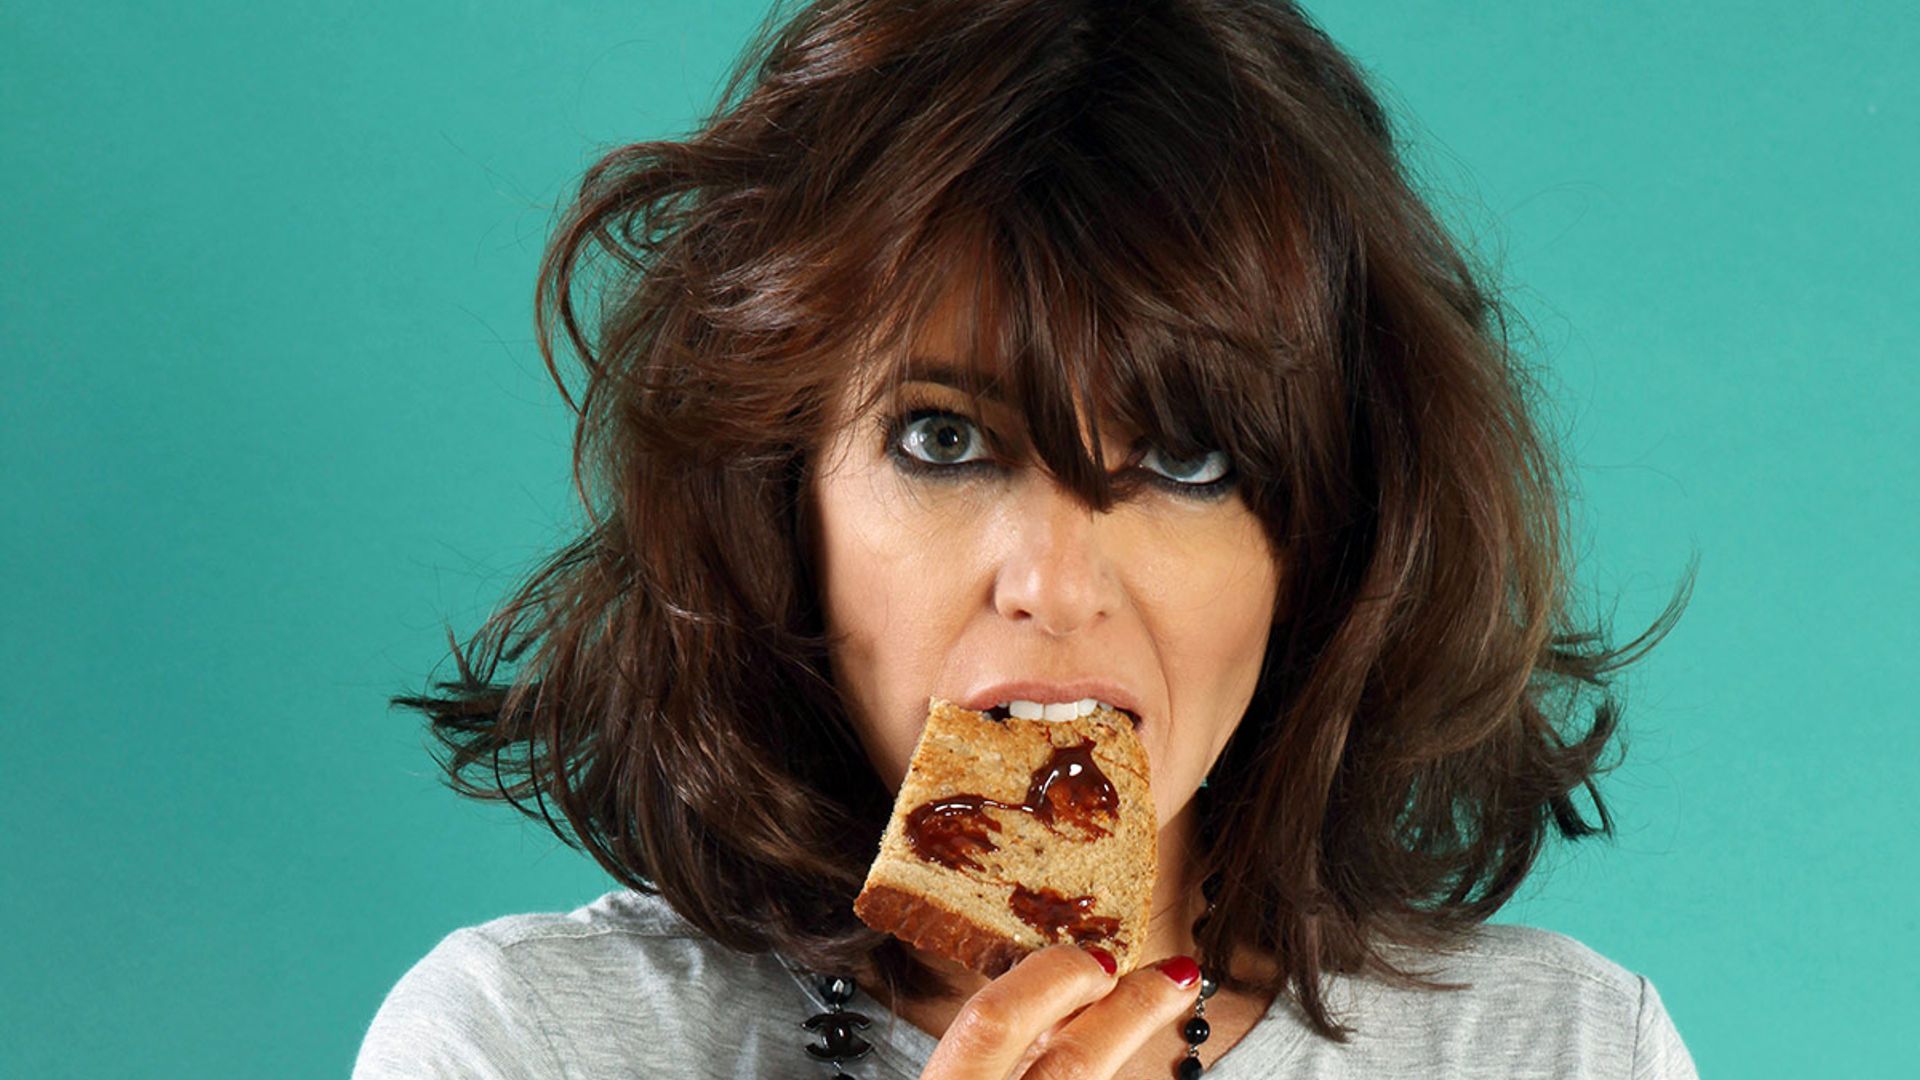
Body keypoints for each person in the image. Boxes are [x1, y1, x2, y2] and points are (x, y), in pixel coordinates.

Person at [355, 0, 1700, 1077]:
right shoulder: (523, 1045)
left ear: (1321, 546)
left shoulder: (1565, 1053)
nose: (1053, 585)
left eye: (1188, 459)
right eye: (944, 440)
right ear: (780, 498)